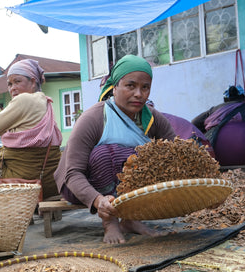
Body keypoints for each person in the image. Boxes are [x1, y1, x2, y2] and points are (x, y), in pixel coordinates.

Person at [54, 55, 176, 244]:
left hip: (120, 184)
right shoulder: (94, 118)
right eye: (130, 85)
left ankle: (131, 219)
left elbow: (176, 155)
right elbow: (73, 173)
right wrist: (98, 200)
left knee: (149, 157)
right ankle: (110, 221)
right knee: (106, 153)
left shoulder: (153, 119)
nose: (139, 94)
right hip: (80, 187)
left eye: (145, 87)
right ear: (115, 86)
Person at [0, 59, 62, 199]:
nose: (13, 88)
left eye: (17, 81)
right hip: (50, 182)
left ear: (33, 81)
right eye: (10, 84)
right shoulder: (46, 102)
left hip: (25, 183)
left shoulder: (24, 100)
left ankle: (4, 208)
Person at [191, 85, 245, 171]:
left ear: (225, 100)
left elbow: (193, 124)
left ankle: (214, 169)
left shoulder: (214, 110)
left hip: (216, 157)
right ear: (243, 98)